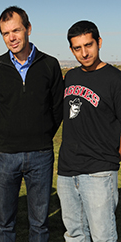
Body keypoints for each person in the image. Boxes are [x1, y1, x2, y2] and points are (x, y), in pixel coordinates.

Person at [0, 6, 64, 241]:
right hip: (6, 156)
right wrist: (3, 138)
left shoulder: (50, 64)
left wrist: (44, 134)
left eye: (16, 30)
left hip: (41, 154)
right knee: (4, 223)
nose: (12, 38)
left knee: (39, 224)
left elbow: (57, 108)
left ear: (28, 28)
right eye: (5, 33)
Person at [57, 20, 121, 242]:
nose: (84, 53)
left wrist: (113, 159)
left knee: (103, 235)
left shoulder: (115, 79)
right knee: (74, 235)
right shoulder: (71, 77)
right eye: (77, 48)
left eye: (89, 45)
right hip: (67, 170)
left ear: (99, 42)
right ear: (71, 49)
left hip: (99, 171)